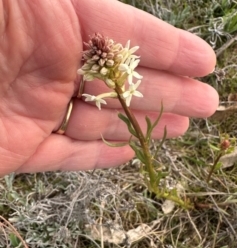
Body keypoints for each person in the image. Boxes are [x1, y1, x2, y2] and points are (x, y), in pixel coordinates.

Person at [0, 0, 218, 177]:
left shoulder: (121, 69)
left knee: (146, 132)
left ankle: (153, 173)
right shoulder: (98, 75)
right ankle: (151, 174)